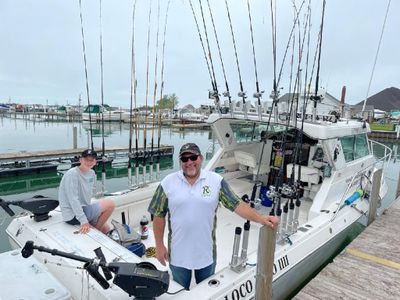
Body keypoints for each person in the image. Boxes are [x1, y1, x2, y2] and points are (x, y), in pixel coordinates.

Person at [148, 143, 279, 290]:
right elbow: (158, 215)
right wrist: (159, 245)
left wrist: (261, 219)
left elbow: (237, 205)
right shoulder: (168, 183)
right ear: (180, 162)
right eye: (184, 159)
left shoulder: (216, 181)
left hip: (206, 256)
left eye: (193, 157)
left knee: (207, 293)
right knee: (179, 293)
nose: (189, 162)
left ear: (201, 158)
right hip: (178, 256)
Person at [58, 149, 115, 234]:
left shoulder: (92, 173)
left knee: (106, 228)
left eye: (91, 160)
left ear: (95, 161)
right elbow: (73, 199)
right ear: (81, 160)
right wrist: (84, 221)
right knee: (110, 204)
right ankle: (96, 231)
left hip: (84, 209)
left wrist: (92, 217)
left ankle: (97, 229)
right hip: (72, 215)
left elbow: (87, 197)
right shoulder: (72, 174)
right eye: (86, 159)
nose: (89, 162)